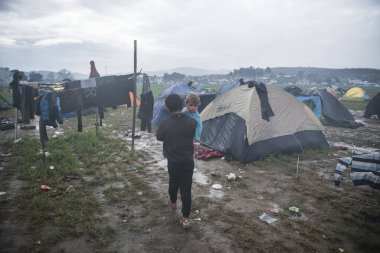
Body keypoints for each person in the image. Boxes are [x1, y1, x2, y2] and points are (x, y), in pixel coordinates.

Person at [156, 94, 196, 229]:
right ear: (182, 105)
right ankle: (185, 219)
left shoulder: (165, 123)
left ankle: (173, 202)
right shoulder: (191, 121)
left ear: (167, 108)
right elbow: (192, 134)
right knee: (186, 187)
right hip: (188, 161)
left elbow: (159, 137)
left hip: (173, 160)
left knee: (173, 181)